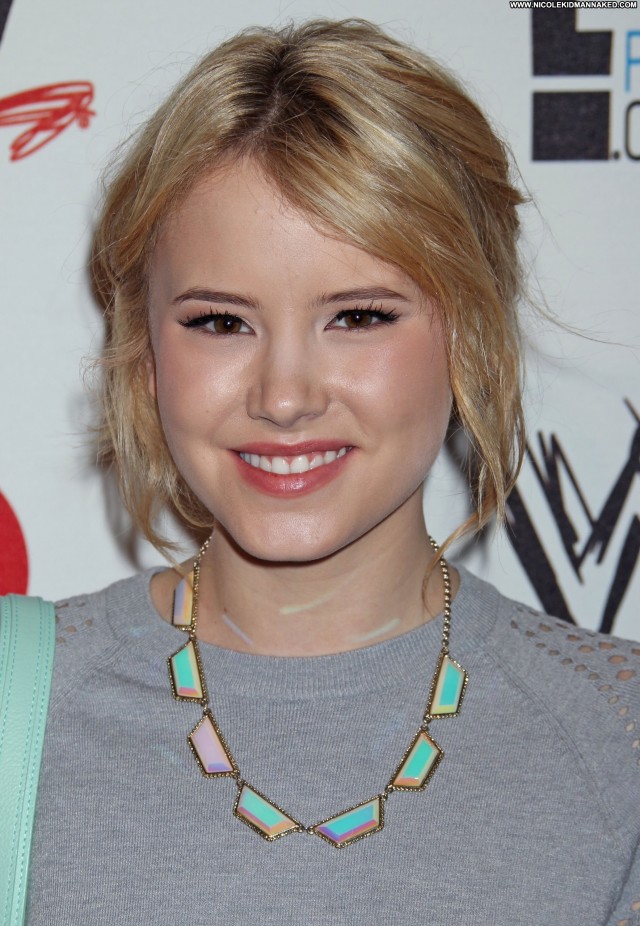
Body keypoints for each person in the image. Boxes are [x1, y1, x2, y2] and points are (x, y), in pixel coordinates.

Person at [24, 18, 638, 924]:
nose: (284, 396)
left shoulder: (616, 739)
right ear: (145, 355)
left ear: (470, 336)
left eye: (357, 317)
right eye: (220, 322)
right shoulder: (18, 713)